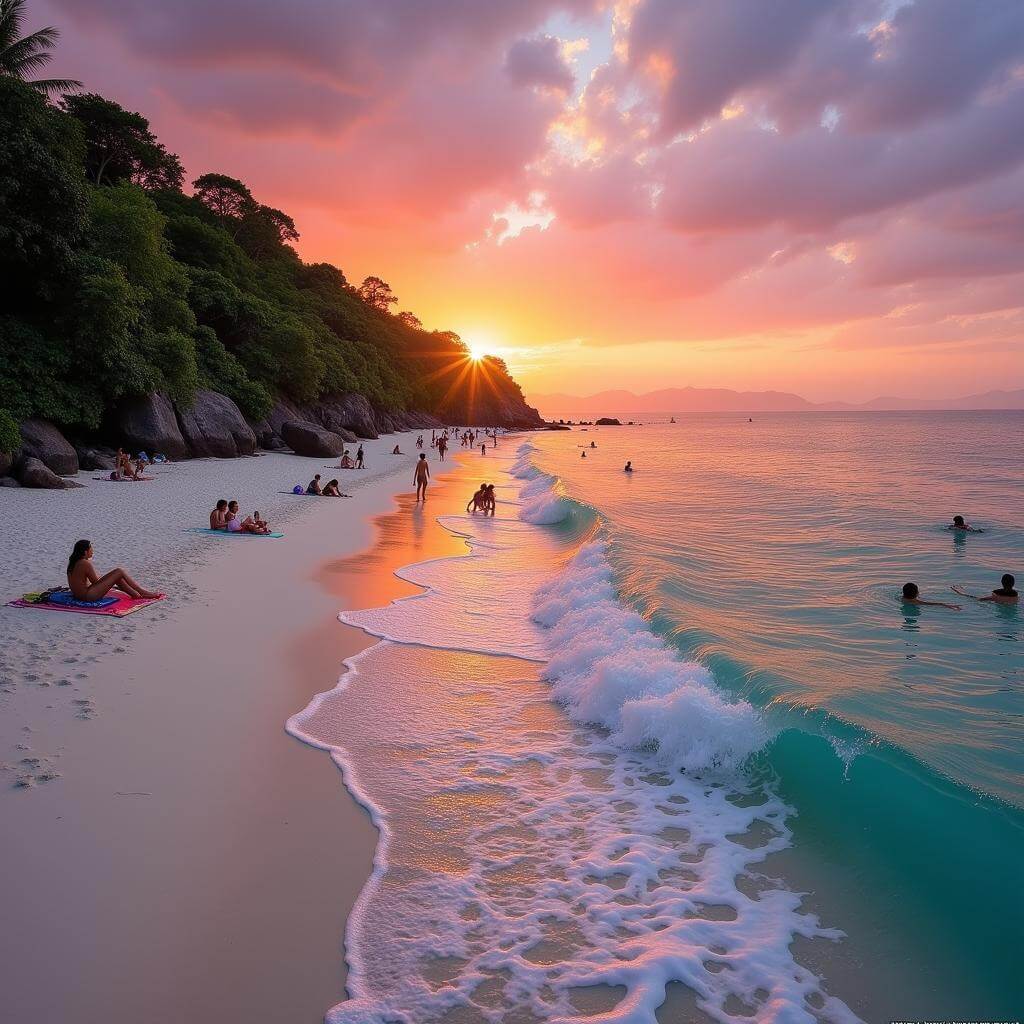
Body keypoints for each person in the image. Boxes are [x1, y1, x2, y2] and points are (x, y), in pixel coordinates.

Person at [67, 540, 161, 602]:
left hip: (80, 595)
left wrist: (108, 580)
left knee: (117, 577)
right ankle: (143, 592)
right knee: (119, 571)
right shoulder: (84, 563)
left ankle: (136, 594)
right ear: (85, 552)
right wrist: (106, 579)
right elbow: (95, 582)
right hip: (88, 596)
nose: (93, 551)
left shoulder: (74, 561)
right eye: (91, 550)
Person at [953, 574, 1019, 606]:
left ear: (1002, 582)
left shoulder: (995, 597)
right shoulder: (1016, 596)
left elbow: (979, 599)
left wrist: (960, 592)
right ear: (1013, 583)